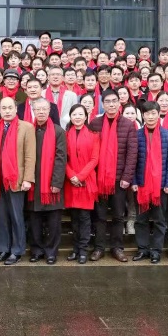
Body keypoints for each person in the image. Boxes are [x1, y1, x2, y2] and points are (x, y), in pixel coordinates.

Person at [88, 89, 138, 263]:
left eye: (114, 101)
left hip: (119, 179)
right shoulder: (95, 123)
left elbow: (132, 153)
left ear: (119, 103)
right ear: (102, 104)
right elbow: (90, 150)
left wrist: (127, 177)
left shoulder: (128, 124)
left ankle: (117, 248)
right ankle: (99, 248)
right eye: (107, 101)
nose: (111, 104)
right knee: (100, 216)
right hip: (99, 178)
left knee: (118, 215)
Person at [0, 97, 36, 265]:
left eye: (10, 108)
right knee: (0, 217)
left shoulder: (26, 127)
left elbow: (30, 156)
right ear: (0, 111)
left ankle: (16, 251)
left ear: (16, 109)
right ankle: (3, 249)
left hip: (17, 179)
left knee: (16, 217)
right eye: (4, 108)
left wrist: (28, 179)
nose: (7, 111)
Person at [132, 102, 168, 264]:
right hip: (142, 184)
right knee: (141, 220)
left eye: (153, 113)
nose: (150, 117)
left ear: (159, 114)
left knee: (159, 220)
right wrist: (133, 180)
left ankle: (156, 251)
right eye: (147, 114)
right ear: (142, 115)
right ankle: (142, 249)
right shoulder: (136, 135)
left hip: (161, 186)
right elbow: (133, 161)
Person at [26, 98, 66, 264]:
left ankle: (51, 252)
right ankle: (36, 250)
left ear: (49, 111)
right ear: (33, 110)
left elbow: (61, 158)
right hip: (33, 183)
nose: (41, 112)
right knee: (34, 220)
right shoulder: (28, 130)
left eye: (44, 109)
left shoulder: (58, 131)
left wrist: (56, 182)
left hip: (51, 182)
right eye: (38, 109)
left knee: (53, 221)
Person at [64, 105, 100, 264]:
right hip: (70, 181)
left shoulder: (94, 136)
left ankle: (83, 250)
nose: (77, 117)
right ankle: (75, 249)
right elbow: (63, 158)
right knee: (74, 218)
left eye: (80, 114)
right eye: (74, 114)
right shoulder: (65, 135)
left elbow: (94, 159)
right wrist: (71, 175)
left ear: (86, 117)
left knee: (85, 218)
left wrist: (80, 176)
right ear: (70, 117)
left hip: (87, 181)